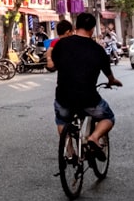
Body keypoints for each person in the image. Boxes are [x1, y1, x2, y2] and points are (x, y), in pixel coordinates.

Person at [47, 12, 123, 160]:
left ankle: (69, 151)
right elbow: (108, 74)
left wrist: (50, 58)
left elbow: (52, 66)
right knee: (108, 117)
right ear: (93, 29)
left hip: (63, 97)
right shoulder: (98, 50)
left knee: (62, 120)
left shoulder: (61, 44)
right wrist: (112, 81)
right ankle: (94, 137)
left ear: (75, 27)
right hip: (88, 98)